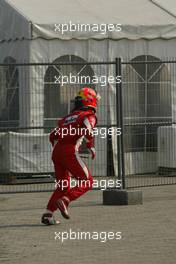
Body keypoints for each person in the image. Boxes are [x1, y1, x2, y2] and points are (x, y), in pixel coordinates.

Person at [41, 87, 100, 225]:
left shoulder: (66, 118)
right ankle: (65, 200)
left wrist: (58, 150)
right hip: (69, 151)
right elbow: (88, 129)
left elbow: (53, 136)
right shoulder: (89, 115)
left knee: (63, 185)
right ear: (90, 100)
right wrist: (91, 146)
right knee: (87, 181)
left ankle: (47, 215)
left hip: (57, 152)